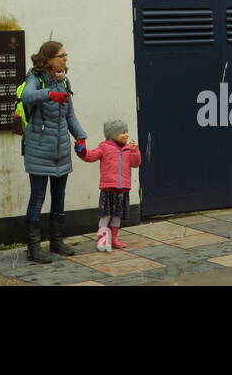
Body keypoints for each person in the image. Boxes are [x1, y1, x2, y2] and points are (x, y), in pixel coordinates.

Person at [20, 41, 87, 264]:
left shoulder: (64, 81)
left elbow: (70, 116)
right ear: (48, 59)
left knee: (59, 197)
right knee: (38, 198)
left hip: (61, 149)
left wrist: (81, 137)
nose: (65, 59)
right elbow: (27, 96)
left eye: (66, 55)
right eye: (61, 55)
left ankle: (57, 241)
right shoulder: (35, 78)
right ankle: (33, 248)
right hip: (39, 149)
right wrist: (49, 93)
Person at [77, 120, 141, 251]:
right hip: (108, 189)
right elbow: (90, 156)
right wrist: (82, 151)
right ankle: (103, 241)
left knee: (117, 216)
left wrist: (135, 151)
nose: (127, 135)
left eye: (127, 132)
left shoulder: (128, 148)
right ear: (113, 134)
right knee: (106, 216)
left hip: (123, 190)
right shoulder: (104, 147)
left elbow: (135, 163)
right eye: (123, 132)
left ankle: (114, 239)